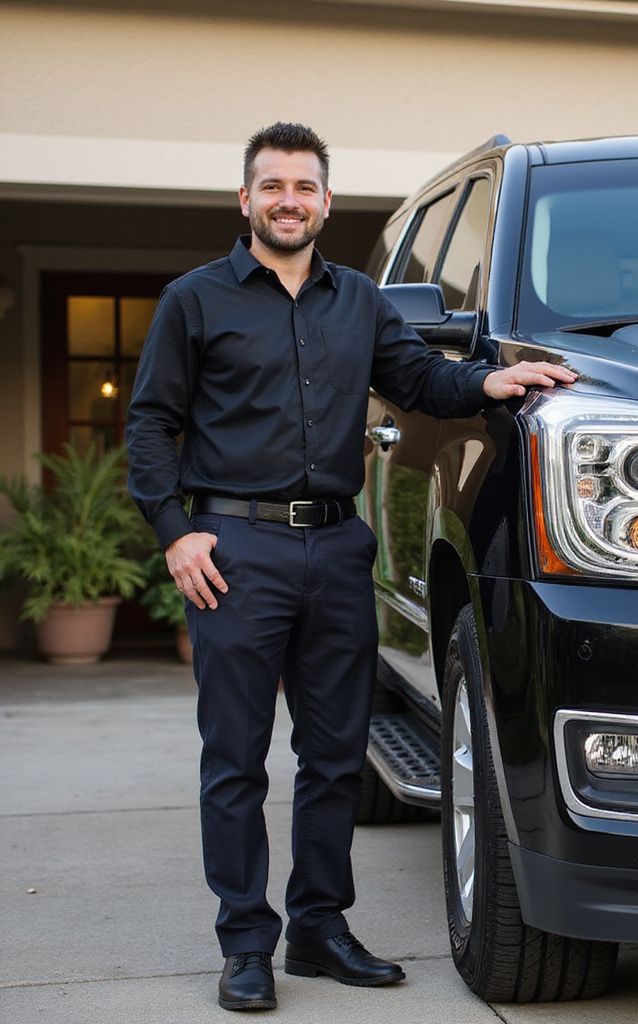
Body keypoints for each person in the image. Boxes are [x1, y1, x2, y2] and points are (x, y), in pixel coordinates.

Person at [125, 122, 576, 1013]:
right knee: (236, 759)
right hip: (235, 549)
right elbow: (149, 425)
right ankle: (245, 943)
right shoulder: (195, 300)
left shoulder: (361, 300)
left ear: (326, 201)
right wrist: (177, 533)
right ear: (245, 199)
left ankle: (321, 930)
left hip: (336, 548)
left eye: (304, 186)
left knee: (335, 757)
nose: (288, 200)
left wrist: (491, 382)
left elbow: (419, 383)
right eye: (272, 185)